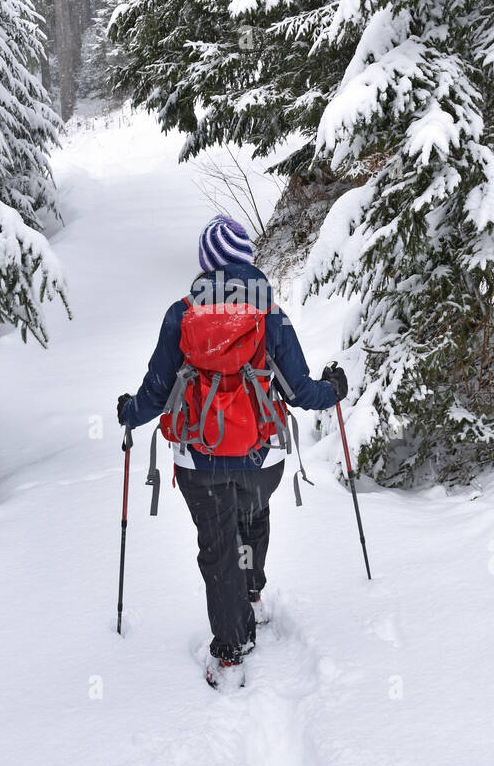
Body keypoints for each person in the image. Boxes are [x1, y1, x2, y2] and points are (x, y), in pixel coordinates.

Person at [117, 215, 347, 689]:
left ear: (206, 265)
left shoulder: (181, 314)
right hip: (261, 456)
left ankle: (230, 654)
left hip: (199, 460)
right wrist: (334, 390)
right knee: (251, 518)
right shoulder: (271, 313)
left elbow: (158, 391)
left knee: (217, 548)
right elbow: (300, 389)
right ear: (246, 259)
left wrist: (129, 412)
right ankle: (253, 593)